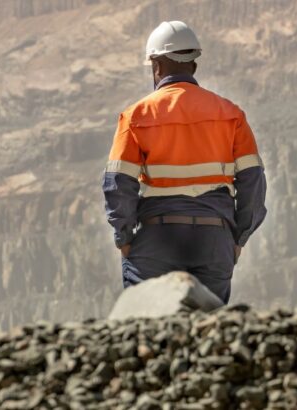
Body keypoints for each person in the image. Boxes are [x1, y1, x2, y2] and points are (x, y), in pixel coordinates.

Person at [102, 21, 267, 303]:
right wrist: (238, 238)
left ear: (156, 66)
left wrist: (124, 239)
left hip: (157, 237)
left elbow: (119, 185)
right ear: (193, 65)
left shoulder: (136, 116)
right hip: (214, 239)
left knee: (150, 329)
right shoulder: (230, 114)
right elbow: (253, 183)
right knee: (208, 331)